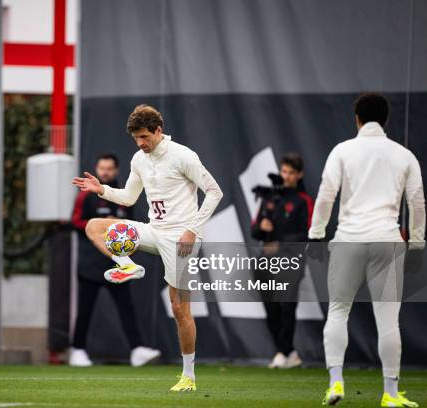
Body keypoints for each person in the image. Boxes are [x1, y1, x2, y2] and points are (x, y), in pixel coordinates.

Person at [72, 105, 223, 391]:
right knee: (94, 226)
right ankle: (128, 264)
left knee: (180, 309)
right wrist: (101, 189)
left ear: (158, 130)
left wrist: (193, 230)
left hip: (181, 237)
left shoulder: (183, 156)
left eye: (144, 136)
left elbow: (215, 192)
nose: (141, 143)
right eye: (136, 138)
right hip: (153, 231)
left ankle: (188, 377)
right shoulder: (138, 159)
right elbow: (129, 198)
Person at [308, 93, 424, 407]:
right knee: (388, 321)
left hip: (348, 240)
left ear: (357, 118)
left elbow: (325, 195)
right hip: (388, 241)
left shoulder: (342, 151)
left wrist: (316, 235)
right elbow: (417, 204)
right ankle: (389, 392)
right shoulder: (404, 155)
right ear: (384, 119)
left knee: (338, 311)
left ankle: (335, 384)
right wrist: (416, 244)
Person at [70, 153, 161, 367]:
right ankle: (78, 350)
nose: (105, 172)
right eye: (101, 168)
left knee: (126, 308)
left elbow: (130, 227)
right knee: (84, 309)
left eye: (109, 169)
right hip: (90, 264)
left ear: (116, 171)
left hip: (118, 264)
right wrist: (101, 224)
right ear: (97, 168)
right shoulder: (87, 195)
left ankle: (137, 350)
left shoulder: (123, 196)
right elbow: (74, 222)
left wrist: (119, 228)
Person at [251, 154, 313, 369]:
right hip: (265, 262)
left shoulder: (303, 200)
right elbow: (255, 230)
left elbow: (310, 233)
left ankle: (282, 352)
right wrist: (262, 228)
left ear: (299, 175)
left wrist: (280, 242)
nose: (286, 176)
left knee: (287, 306)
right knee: (271, 307)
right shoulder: (269, 197)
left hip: (291, 261)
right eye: (284, 171)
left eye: (291, 173)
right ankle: (287, 352)